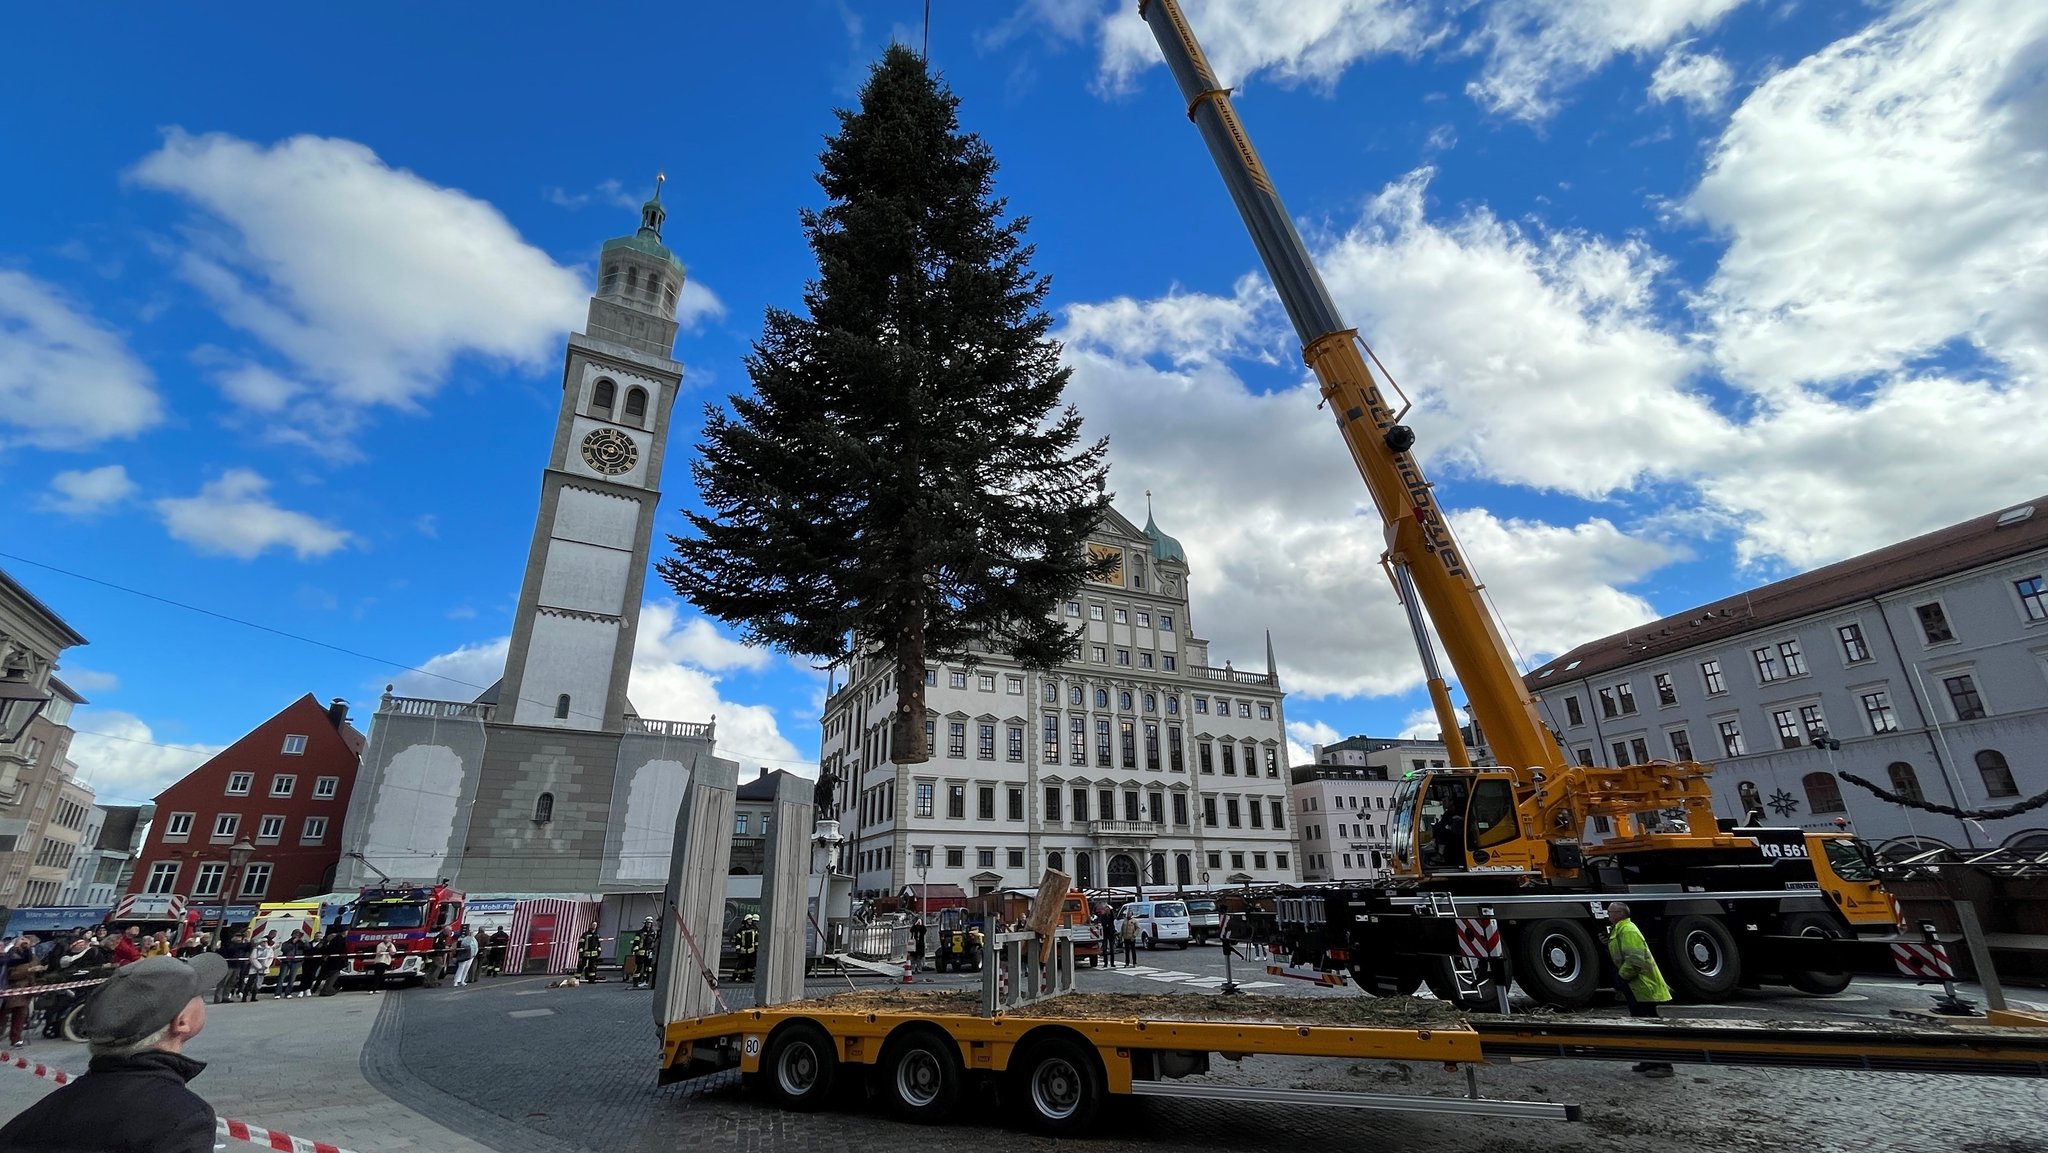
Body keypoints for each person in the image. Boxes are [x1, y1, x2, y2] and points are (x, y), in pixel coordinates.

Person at [0, 951, 228, 1153]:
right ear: (181, 1022)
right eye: (197, 994)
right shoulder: (184, 1119)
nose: (203, 1001)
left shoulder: (43, 1113)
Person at [1604, 902, 1674, 1078]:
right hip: (1638, 986)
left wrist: (1622, 977)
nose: (1608, 914)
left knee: (1649, 1025)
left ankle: (1664, 1065)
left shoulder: (1627, 930)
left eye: (1610, 912)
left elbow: (1635, 960)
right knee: (1641, 1024)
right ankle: (1649, 1060)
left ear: (1619, 914)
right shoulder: (1621, 929)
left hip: (1642, 986)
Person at [4, 934, 42, 1048]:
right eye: (23, 940)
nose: (26, 943)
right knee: (2, 1015)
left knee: (20, 1015)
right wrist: (29, 970)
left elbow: (34, 973)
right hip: (11, 988)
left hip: (26, 989)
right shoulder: (10, 955)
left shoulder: (32, 957)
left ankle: (16, 1038)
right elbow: (9, 974)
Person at [215, 933, 251, 1005]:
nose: (239, 939)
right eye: (237, 937)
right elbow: (231, 950)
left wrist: (248, 942)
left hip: (237, 966)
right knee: (223, 982)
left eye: (240, 937)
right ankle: (218, 998)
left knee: (231, 982)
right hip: (228, 965)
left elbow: (249, 948)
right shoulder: (228, 944)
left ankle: (226, 997)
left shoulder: (242, 945)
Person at [242, 933, 277, 1003]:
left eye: (265, 942)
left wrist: (266, 966)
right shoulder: (256, 949)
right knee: (250, 982)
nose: (264, 943)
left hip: (263, 969)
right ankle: (244, 997)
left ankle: (254, 996)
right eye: (263, 942)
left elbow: (270, 958)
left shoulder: (269, 949)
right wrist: (259, 966)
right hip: (254, 969)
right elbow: (253, 958)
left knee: (258, 983)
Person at [275, 931, 307, 998]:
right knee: (281, 978)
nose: (297, 936)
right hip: (286, 962)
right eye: (296, 934)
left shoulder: (301, 943)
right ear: (292, 935)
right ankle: (278, 993)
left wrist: (304, 942)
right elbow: (284, 949)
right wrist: (293, 943)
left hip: (296, 962)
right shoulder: (286, 943)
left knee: (292, 978)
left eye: (299, 935)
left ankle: (288, 993)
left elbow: (308, 948)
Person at [731, 914, 760, 983]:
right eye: (749, 920)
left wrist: (756, 948)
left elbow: (756, 939)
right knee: (742, 966)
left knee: (751, 966)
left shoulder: (754, 929)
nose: (750, 921)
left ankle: (749, 977)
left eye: (751, 920)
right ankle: (741, 977)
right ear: (745, 921)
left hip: (752, 951)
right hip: (743, 951)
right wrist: (738, 949)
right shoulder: (740, 930)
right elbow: (738, 940)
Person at [1095, 905, 1118, 969]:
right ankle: (1105, 963)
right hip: (1105, 933)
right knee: (1105, 949)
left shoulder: (1111, 916)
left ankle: (1112, 963)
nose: (1107, 911)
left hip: (1111, 933)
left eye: (1108, 910)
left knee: (1112, 949)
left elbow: (1114, 917)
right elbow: (1101, 922)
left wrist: (1111, 909)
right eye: (1106, 910)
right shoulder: (1103, 916)